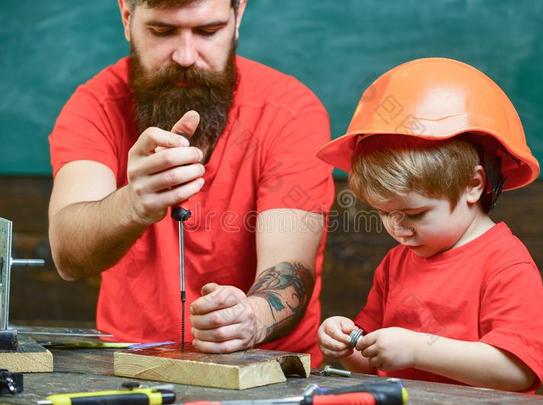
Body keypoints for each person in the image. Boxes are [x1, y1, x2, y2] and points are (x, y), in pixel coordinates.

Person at [47, 0, 334, 366]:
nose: (185, 56)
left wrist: (251, 319)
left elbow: (290, 265)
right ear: (127, 17)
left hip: (268, 373)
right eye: (162, 31)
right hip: (134, 368)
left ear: (238, 16)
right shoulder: (94, 107)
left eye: (208, 32)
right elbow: (69, 257)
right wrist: (133, 205)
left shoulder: (291, 112)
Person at [316, 58, 543, 392]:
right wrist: (348, 345)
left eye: (414, 214)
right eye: (384, 213)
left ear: (473, 184)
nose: (398, 229)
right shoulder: (396, 263)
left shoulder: (505, 264)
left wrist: (416, 350)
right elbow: (372, 363)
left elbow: (517, 371)